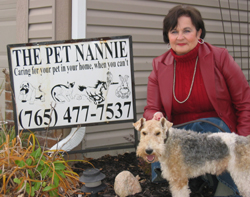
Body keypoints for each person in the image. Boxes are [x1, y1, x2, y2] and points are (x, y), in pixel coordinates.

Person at [143, 4, 250, 197]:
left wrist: (243, 142)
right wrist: (155, 116)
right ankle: (197, 178)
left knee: (234, 190)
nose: (180, 37)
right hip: (181, 139)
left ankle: (216, 180)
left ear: (199, 32)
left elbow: (245, 103)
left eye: (187, 30)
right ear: (167, 35)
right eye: (174, 31)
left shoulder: (220, 58)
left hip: (218, 135)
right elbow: (151, 108)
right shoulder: (159, 66)